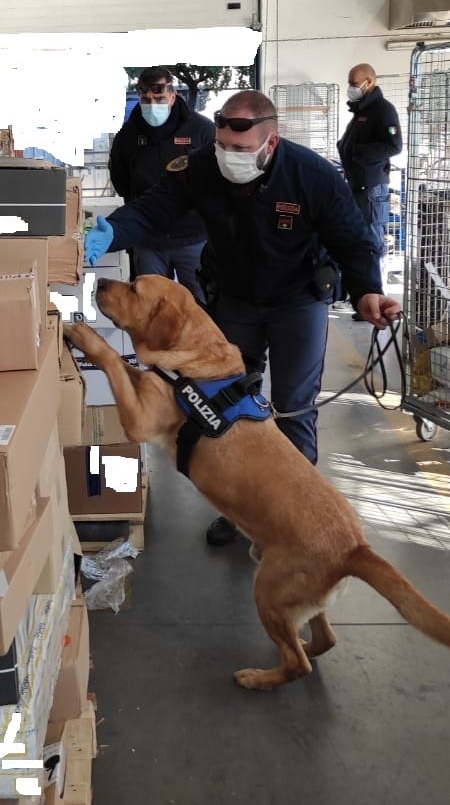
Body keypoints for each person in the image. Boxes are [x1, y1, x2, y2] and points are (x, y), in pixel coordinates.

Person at [86, 91, 401, 546]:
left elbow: (352, 240)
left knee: (294, 406)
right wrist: (116, 228)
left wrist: (369, 289)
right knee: (225, 407)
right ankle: (242, 512)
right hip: (235, 299)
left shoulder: (312, 177)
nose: (228, 157)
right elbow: (157, 207)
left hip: (298, 300)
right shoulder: (203, 168)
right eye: (222, 147)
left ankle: (292, 515)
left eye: (240, 150)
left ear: (270, 143)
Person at [108, 67, 214, 303]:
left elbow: (216, 179)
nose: (152, 105)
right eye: (146, 99)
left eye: (159, 98)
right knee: (150, 307)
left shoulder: (201, 130)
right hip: (148, 239)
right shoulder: (128, 136)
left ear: (173, 95)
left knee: (201, 305)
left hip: (193, 237)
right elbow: (121, 180)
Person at [336, 64, 403, 319]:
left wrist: (359, 154)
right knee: (358, 239)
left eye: (355, 82)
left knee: (374, 242)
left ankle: (378, 299)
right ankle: (360, 295)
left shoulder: (382, 110)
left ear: (369, 82)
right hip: (357, 186)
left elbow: (394, 145)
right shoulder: (362, 111)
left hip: (372, 187)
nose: (351, 87)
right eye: (350, 82)